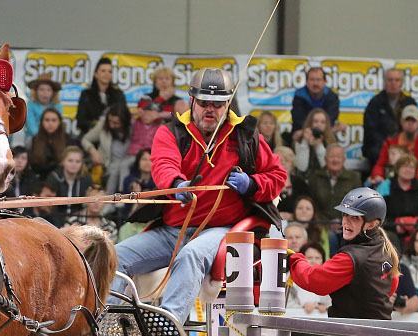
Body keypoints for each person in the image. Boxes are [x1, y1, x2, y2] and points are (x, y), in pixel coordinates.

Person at [110, 67, 285, 322]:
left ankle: (168, 331)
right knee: (114, 257)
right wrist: (176, 183)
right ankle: (107, 327)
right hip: (174, 230)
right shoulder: (170, 132)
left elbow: (277, 176)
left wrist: (252, 184)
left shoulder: (245, 136)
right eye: (204, 102)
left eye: (217, 103)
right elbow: (163, 165)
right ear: (192, 101)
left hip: (220, 230)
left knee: (190, 255)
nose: (210, 109)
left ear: (227, 104)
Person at [288, 188, 400, 320]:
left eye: (355, 217)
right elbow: (391, 287)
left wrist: (293, 259)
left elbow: (314, 280)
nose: (346, 221)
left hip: (353, 335)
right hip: (377, 333)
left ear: (370, 225)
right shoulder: (384, 248)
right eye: (345, 214)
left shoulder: (351, 258)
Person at [362, 68, 417, 168]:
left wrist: (401, 145)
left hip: (405, 145)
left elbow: (417, 128)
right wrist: (389, 145)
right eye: (390, 80)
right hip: (380, 146)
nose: (393, 83)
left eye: (397, 80)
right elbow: (370, 131)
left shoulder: (410, 103)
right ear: (384, 82)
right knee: (375, 152)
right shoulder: (375, 103)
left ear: (402, 83)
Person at [370, 105, 418, 185]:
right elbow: (380, 165)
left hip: (417, 181)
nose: (410, 123)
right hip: (392, 179)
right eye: (407, 120)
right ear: (401, 121)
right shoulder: (390, 142)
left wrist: (406, 175)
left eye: (413, 120)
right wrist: (378, 176)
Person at [375, 154, 418, 239]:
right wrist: (395, 227)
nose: (408, 170)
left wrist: (417, 225)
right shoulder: (385, 187)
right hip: (389, 231)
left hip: (416, 232)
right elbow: (376, 217)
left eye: (412, 168)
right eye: (405, 166)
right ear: (397, 169)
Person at [130, 67, 183, 155]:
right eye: (160, 79)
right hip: (144, 141)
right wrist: (161, 98)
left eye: (167, 79)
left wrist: (159, 115)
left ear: (172, 82)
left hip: (169, 138)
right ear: (154, 82)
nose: (164, 81)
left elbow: (181, 116)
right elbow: (146, 117)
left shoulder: (178, 101)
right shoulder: (146, 97)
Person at [80, 102, 131, 193]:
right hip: (106, 167)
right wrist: (93, 151)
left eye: (116, 123)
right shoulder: (103, 125)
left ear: (124, 122)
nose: (111, 125)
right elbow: (85, 139)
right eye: (110, 121)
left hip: (127, 167)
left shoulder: (132, 129)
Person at [306, 144, 361, 222]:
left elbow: (358, 205)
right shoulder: (315, 177)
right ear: (325, 159)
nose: (335, 160)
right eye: (332, 156)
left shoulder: (354, 177)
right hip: (320, 224)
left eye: (338, 156)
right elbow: (311, 204)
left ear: (343, 160)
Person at [75, 57, 127, 135]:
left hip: (113, 135)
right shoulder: (86, 94)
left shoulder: (118, 94)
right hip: (91, 133)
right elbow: (81, 121)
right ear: (96, 74)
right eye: (103, 71)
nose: (107, 74)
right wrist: (96, 124)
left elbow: (123, 118)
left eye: (110, 71)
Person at [45, 146, 92, 228]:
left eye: (78, 161)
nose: (74, 164)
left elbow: (87, 204)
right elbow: (50, 205)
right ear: (63, 161)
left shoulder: (86, 179)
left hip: (79, 220)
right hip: (55, 220)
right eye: (70, 161)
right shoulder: (54, 177)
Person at [290, 66, 343, 138]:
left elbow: (330, 119)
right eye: (312, 80)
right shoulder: (299, 96)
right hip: (303, 134)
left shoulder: (332, 97)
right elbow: (299, 121)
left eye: (318, 80)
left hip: (325, 134)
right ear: (306, 82)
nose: (315, 83)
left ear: (325, 82)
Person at [288, 242, 331, 314]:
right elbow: (286, 303)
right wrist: (302, 307)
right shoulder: (289, 277)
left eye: (317, 258)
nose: (313, 261)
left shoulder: (329, 281)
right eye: (309, 258)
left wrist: (325, 307)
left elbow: (331, 304)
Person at [291, 194, 338, 258]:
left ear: (313, 212)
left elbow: (325, 255)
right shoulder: (287, 227)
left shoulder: (321, 231)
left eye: (308, 209)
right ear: (295, 211)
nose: (304, 211)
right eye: (300, 208)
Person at [293, 108, 337, 175]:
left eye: (323, 122)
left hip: (324, 180)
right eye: (316, 121)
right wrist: (304, 142)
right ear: (310, 123)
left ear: (326, 125)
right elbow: (301, 167)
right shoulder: (300, 139)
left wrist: (318, 146)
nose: (319, 125)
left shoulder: (331, 141)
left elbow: (328, 168)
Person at [28, 107, 67, 180]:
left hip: (61, 180)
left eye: (54, 120)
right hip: (40, 179)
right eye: (47, 120)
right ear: (41, 122)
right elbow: (33, 165)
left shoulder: (67, 139)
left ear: (59, 122)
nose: (50, 123)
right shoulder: (34, 140)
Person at [24, 74, 62, 142]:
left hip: (54, 139)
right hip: (34, 139)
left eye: (48, 90)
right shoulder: (30, 105)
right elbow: (32, 128)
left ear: (53, 92)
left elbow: (58, 126)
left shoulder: (57, 105)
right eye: (41, 89)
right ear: (35, 92)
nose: (45, 93)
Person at [275, 146, 310, 216]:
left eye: (287, 161)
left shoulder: (301, 183)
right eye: (280, 161)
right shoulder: (268, 183)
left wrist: (294, 216)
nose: (284, 163)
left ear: (292, 164)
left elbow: (306, 205)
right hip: (274, 222)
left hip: (297, 221)